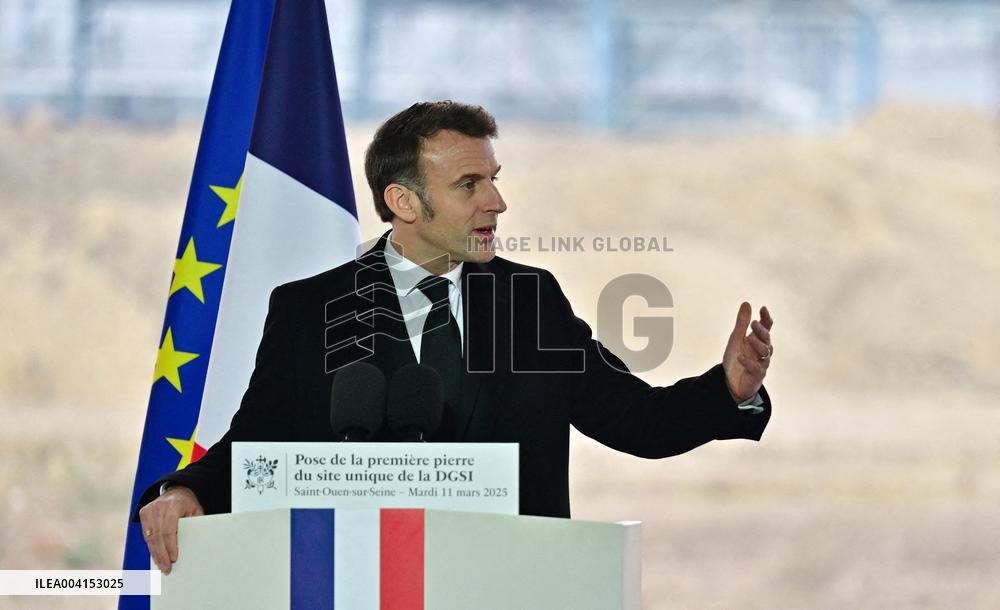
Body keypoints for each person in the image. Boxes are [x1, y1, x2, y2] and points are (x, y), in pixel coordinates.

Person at [138, 101, 775, 574]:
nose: (497, 202)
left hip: (515, 586)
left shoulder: (532, 300)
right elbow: (257, 442)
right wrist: (182, 490)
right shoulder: (310, 310)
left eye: (495, 178)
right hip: (366, 585)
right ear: (404, 202)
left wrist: (731, 390)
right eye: (470, 185)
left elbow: (638, 420)